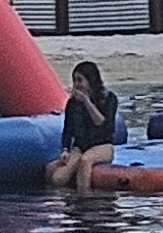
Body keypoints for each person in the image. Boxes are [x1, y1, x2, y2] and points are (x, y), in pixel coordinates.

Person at [47, 61, 121, 192]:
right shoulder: (72, 103)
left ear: (90, 81)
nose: (76, 85)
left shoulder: (109, 99)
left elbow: (102, 123)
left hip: (103, 146)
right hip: (80, 147)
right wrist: (65, 149)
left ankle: (85, 200)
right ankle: (69, 204)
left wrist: (87, 101)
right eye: (74, 80)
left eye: (80, 80)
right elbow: (68, 129)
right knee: (59, 179)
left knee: (85, 161)